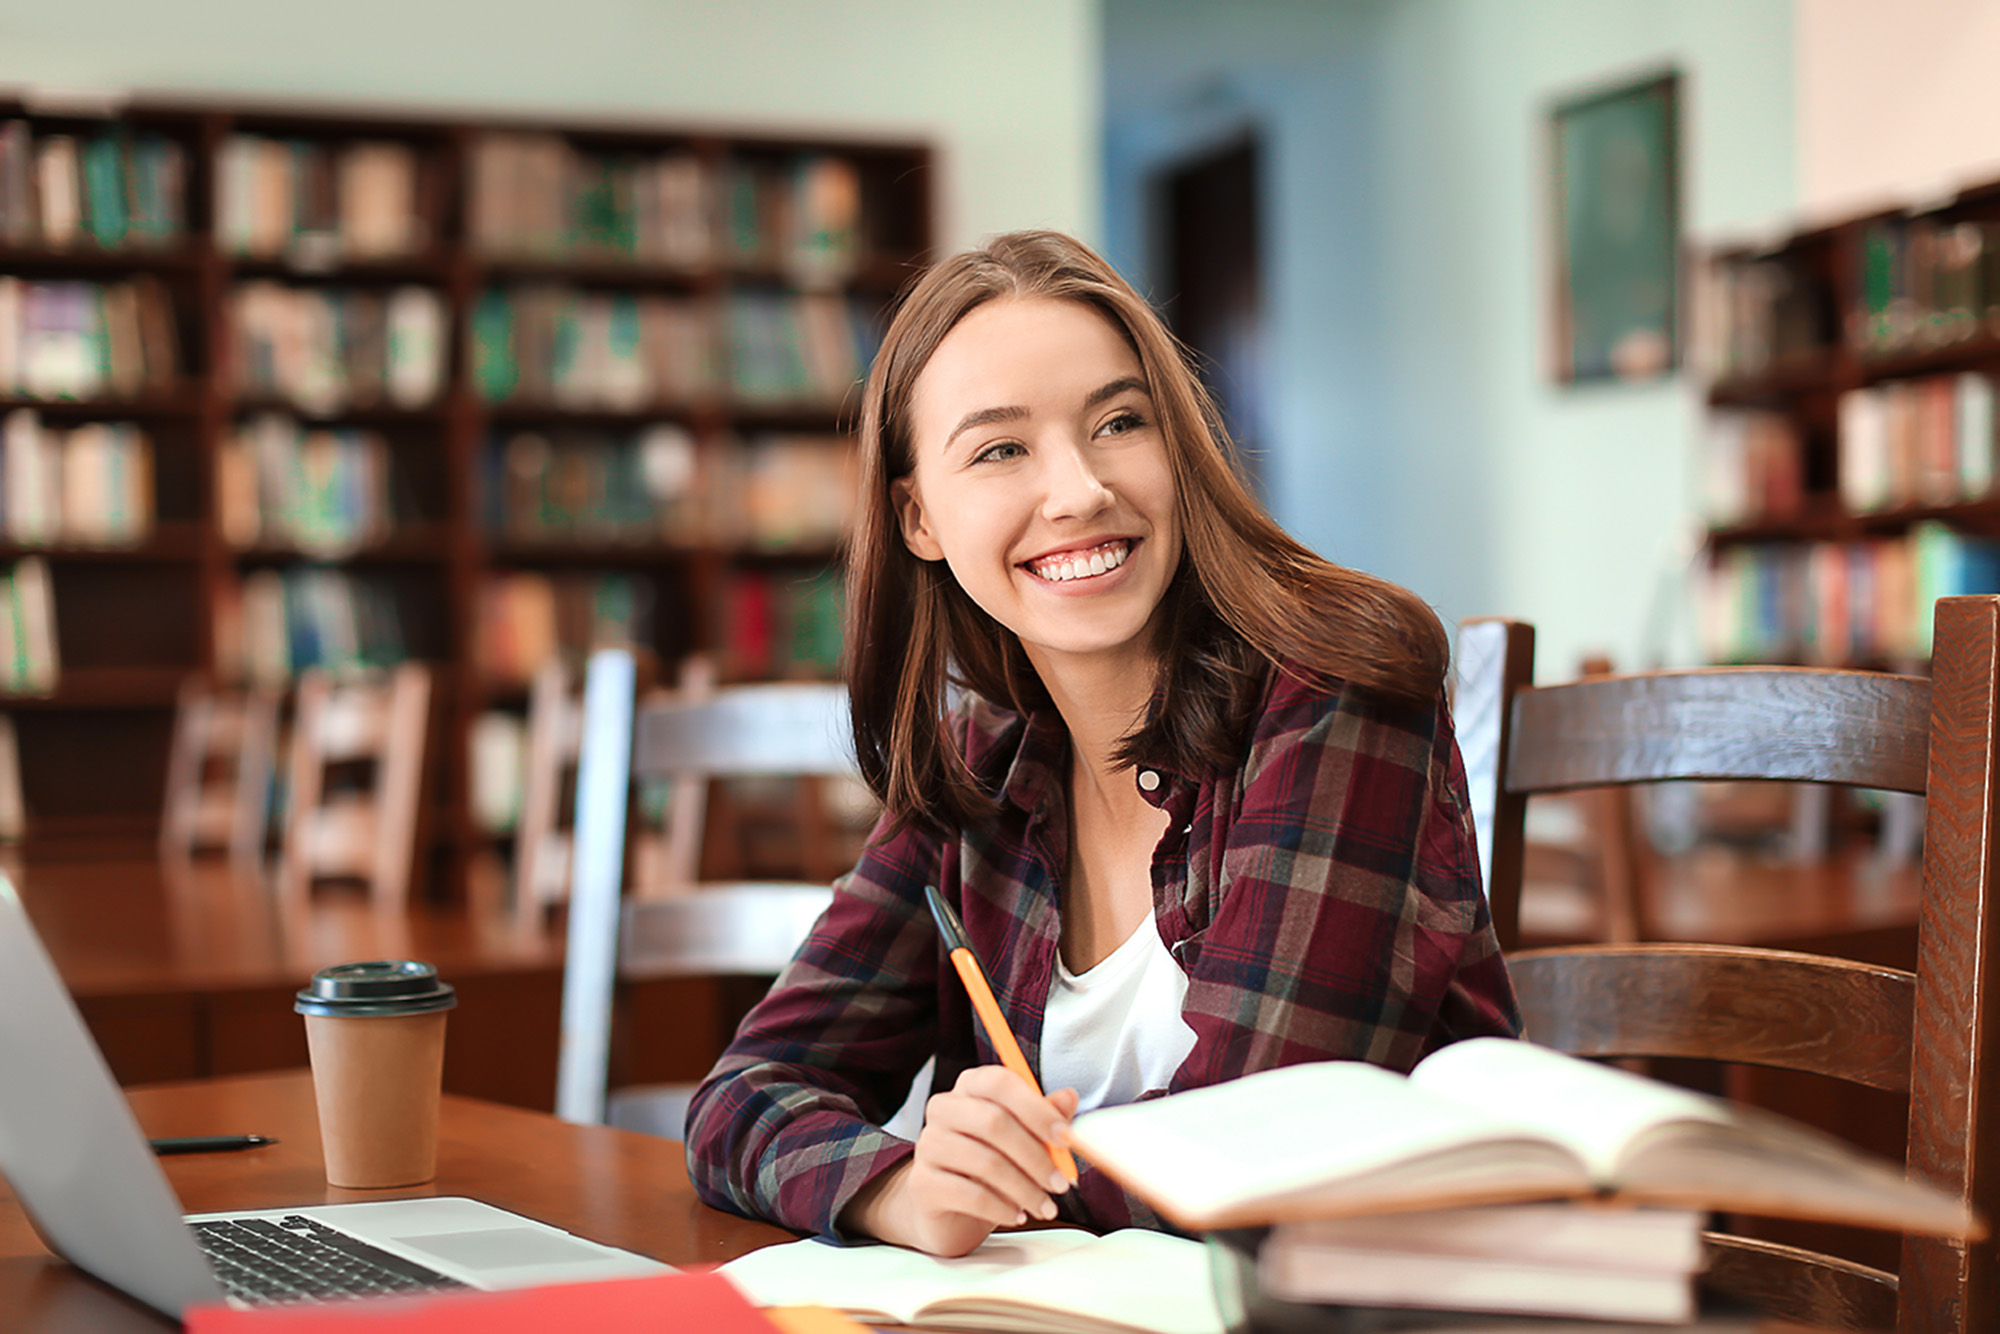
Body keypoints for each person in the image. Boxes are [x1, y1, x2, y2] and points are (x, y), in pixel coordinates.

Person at [683, 229, 1519, 1257]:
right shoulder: (981, 762)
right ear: (918, 518)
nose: (1076, 489)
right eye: (999, 448)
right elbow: (744, 1094)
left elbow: (1249, 1165)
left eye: (1119, 422)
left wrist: (1001, 1188)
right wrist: (899, 1186)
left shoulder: (1334, 687)